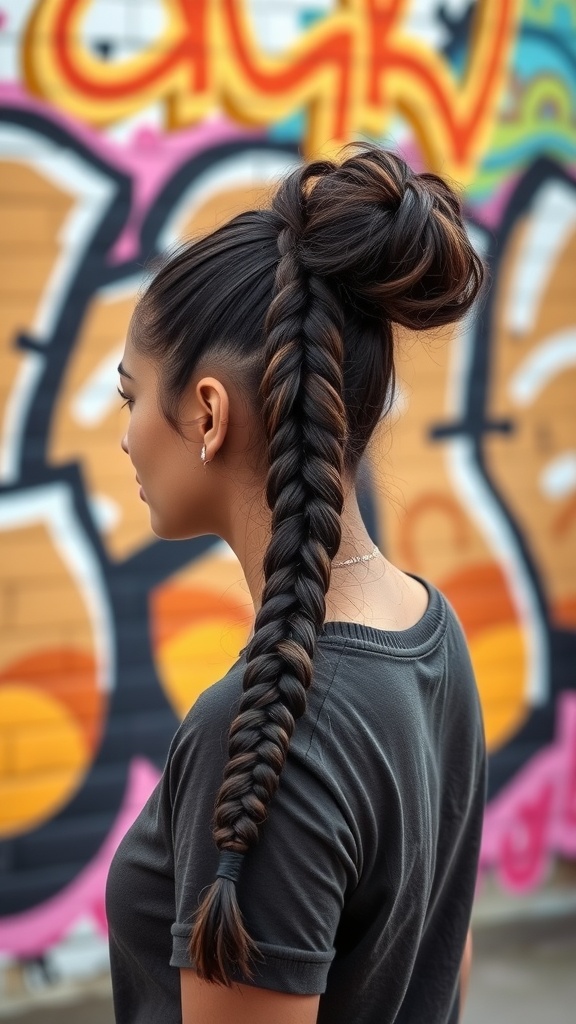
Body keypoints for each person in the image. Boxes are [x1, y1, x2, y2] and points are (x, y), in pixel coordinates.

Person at [105, 143, 487, 1024]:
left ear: (207, 413)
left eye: (131, 398)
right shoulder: (432, 630)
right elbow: (445, 951)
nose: (125, 436)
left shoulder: (265, 742)